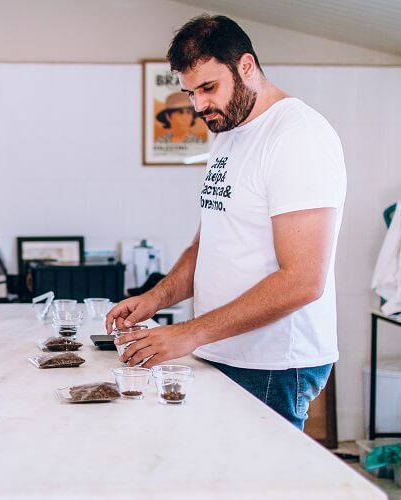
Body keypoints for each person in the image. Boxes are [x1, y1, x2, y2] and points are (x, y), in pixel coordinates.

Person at [106, 14, 346, 430]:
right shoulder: (229, 133)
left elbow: (304, 280)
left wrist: (188, 333)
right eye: (190, 92)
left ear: (246, 66)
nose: (199, 105)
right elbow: (209, 246)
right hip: (223, 352)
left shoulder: (297, 136)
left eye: (208, 88)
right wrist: (156, 299)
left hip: (271, 365)